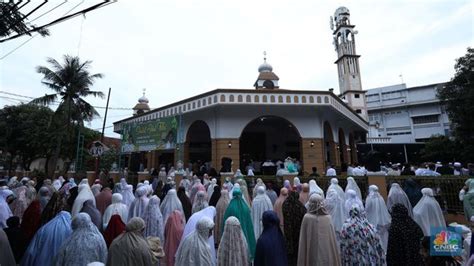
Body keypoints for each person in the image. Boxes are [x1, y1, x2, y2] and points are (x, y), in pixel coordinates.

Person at [297, 194, 341, 266]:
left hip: (311, 251)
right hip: (326, 252)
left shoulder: (307, 217)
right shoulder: (328, 218)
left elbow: (303, 240)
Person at [222, 188, 256, 260]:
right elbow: (249, 224)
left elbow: (225, 222)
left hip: (232, 236)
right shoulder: (245, 207)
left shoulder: (230, 207)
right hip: (245, 233)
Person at [282, 190, 307, 266]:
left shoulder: (285, 204)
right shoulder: (300, 205)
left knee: (289, 250)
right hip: (298, 231)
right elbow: (304, 215)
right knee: (297, 249)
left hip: (288, 230)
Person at [365, 185, 391, 251]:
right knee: (383, 236)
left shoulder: (369, 198)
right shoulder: (380, 197)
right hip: (382, 220)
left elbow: (367, 209)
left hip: (372, 219)